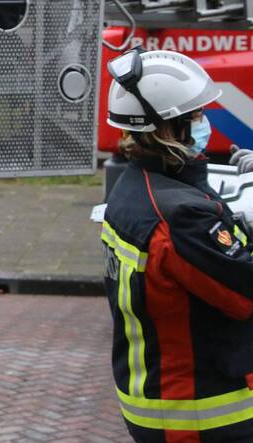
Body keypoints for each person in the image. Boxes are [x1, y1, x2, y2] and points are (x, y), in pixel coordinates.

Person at [101, 47, 253, 442]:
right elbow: (244, 293)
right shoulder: (181, 217)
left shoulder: (134, 190)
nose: (205, 124)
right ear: (171, 129)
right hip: (203, 413)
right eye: (198, 117)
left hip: (161, 402)